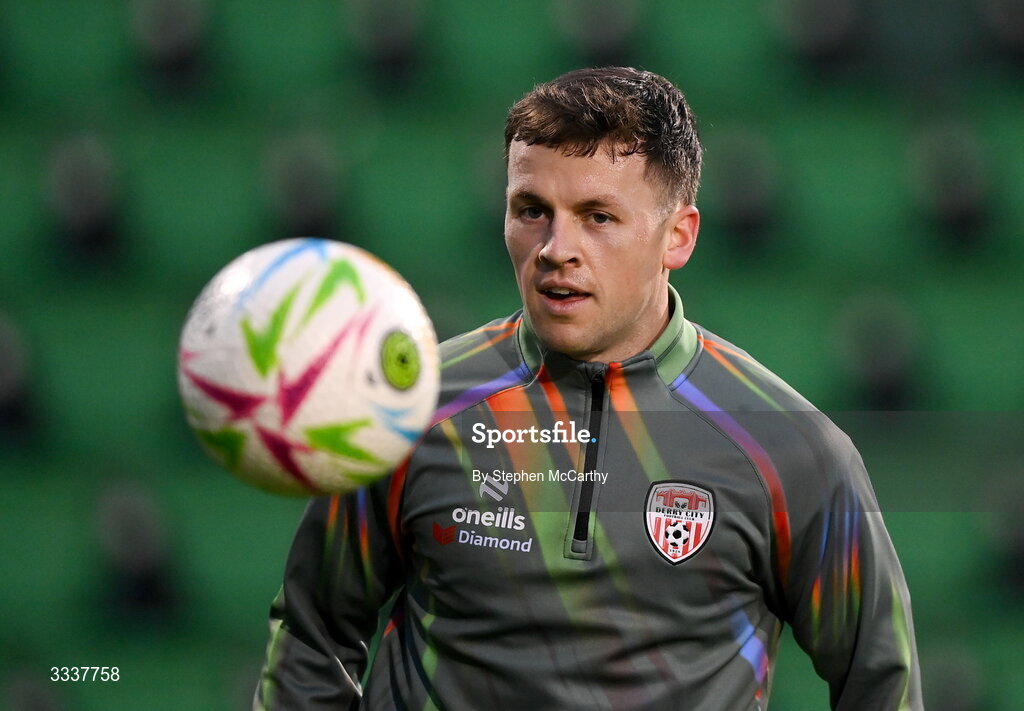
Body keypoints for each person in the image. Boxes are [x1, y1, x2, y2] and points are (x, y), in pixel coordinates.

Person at [254, 67, 921, 710]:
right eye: (531, 210)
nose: (555, 248)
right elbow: (314, 635)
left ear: (678, 236)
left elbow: (880, 681)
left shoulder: (790, 448)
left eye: (598, 216)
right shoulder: (411, 407)